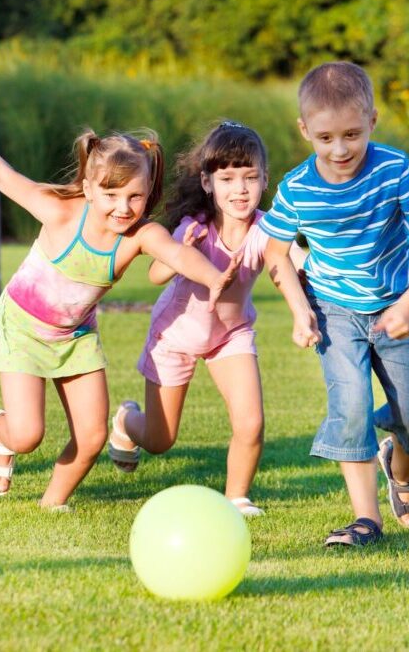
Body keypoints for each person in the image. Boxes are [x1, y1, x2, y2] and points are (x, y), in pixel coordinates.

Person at [0, 100, 238, 509]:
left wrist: (214, 277)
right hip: (22, 329)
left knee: (91, 437)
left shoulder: (139, 236)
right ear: (89, 188)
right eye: (111, 194)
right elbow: (3, 175)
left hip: (75, 338)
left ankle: (51, 504)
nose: (123, 208)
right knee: (27, 434)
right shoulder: (59, 212)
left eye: (135, 196)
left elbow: (177, 254)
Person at [107, 122, 305, 516]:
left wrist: (314, 292)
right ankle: (127, 420)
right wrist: (180, 249)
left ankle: (237, 497)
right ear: (207, 181)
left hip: (230, 336)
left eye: (250, 177)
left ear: (265, 179)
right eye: (227, 178)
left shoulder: (267, 229)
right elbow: (156, 275)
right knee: (160, 440)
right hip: (175, 336)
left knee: (250, 423)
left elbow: (292, 263)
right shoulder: (194, 227)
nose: (241, 189)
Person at [260, 61, 409, 546]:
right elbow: (275, 252)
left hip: (397, 303)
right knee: (349, 406)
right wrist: (299, 309)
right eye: (325, 137)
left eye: (352, 134)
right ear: (305, 130)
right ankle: (366, 520)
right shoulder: (297, 189)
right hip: (333, 309)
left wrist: (408, 306)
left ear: (372, 121)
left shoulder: (396, 171)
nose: (341, 149)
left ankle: (401, 464)